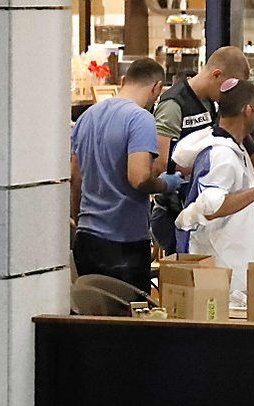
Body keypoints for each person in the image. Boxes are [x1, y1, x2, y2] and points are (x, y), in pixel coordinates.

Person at [71, 58, 184, 292]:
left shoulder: (87, 116)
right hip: (124, 242)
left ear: (123, 81)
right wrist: (166, 184)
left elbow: (75, 177)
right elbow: (139, 177)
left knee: (94, 314)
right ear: (157, 88)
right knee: (129, 321)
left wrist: (80, 219)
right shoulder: (140, 119)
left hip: (87, 239)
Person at [151, 46, 254, 253]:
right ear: (216, 75)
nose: (232, 94)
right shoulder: (173, 104)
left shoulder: (215, 105)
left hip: (211, 221)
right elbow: (160, 164)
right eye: (230, 85)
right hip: (177, 213)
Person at [171, 79, 254, 294]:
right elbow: (212, 207)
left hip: (232, 262)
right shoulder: (221, 154)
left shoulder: (234, 148)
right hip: (220, 271)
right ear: (248, 110)